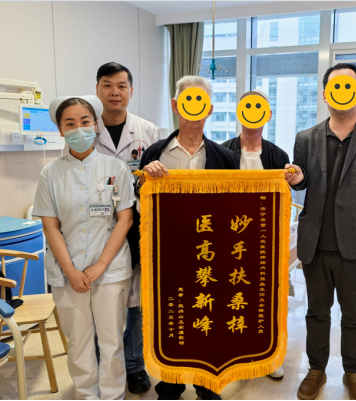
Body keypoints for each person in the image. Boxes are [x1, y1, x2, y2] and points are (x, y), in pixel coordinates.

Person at [285, 63, 356, 401]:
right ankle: (316, 369)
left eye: (348, 86)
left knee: (354, 315)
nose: (341, 92)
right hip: (315, 243)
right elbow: (302, 181)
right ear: (325, 94)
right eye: (334, 86)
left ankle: (353, 372)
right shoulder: (306, 138)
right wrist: (297, 179)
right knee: (316, 312)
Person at [140, 76, 238, 401]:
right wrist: (144, 181)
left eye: (200, 101)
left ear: (209, 109)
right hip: (168, 255)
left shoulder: (226, 158)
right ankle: (171, 382)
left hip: (211, 254)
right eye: (186, 100)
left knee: (208, 318)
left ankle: (207, 384)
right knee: (172, 317)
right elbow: (140, 206)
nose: (193, 108)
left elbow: (235, 208)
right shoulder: (154, 154)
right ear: (175, 105)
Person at [33, 96, 135, 400]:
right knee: (78, 341)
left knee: (111, 341)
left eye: (85, 122)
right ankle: (86, 395)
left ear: (95, 124)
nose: (79, 129)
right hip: (67, 271)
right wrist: (70, 270)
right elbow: (51, 226)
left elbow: (125, 219)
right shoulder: (50, 174)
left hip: (111, 268)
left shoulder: (116, 167)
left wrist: (101, 265)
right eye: (70, 123)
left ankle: (113, 395)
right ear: (60, 130)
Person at [95, 62, 161, 394]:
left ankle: (135, 366)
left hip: (139, 226)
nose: (115, 92)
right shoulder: (86, 129)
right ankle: (105, 366)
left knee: (136, 300)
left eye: (121, 86)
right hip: (98, 226)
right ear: (97, 90)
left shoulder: (148, 131)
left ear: (131, 91)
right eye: (107, 85)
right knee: (102, 301)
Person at [222, 88, 289, 381]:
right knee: (232, 295)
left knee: (264, 296)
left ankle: (268, 356)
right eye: (246, 107)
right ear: (239, 114)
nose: (252, 113)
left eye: (258, 107)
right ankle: (233, 352)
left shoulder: (278, 155)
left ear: (268, 115)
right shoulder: (222, 151)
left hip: (264, 239)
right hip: (229, 237)